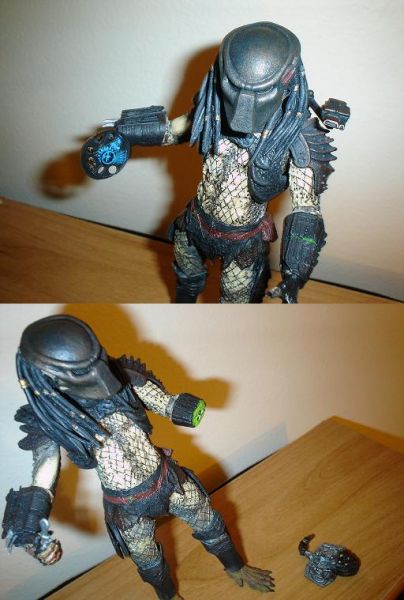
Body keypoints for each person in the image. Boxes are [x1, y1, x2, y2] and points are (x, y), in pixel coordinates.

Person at [2, 315, 274, 599]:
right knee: (148, 562)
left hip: (168, 479)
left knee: (210, 523)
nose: (99, 377)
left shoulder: (124, 378)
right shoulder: (50, 420)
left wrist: (185, 406)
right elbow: (42, 478)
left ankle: (235, 567)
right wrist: (32, 533)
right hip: (126, 506)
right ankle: (169, 596)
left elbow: (165, 403)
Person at [82, 21, 349, 303]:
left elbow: (307, 210)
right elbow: (172, 131)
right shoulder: (212, 110)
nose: (243, 109)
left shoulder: (297, 138)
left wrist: (294, 273)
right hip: (195, 222)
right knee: (186, 280)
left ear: (289, 78)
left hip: (242, 241)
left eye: (258, 93)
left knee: (233, 301)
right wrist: (126, 131)